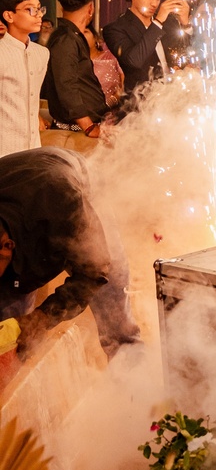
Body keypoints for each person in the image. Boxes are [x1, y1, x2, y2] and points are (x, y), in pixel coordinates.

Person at [0, 147, 141, 359]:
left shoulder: (65, 203)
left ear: (7, 246)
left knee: (111, 290)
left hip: (78, 187)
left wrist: (42, 318)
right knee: (12, 331)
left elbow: (95, 271)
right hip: (28, 184)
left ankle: (128, 359)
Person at [103, 0, 190, 100]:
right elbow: (134, 61)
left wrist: (185, 23)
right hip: (141, 103)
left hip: (174, 99)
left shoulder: (168, 22)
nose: (154, 4)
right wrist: (158, 21)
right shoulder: (115, 29)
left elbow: (185, 55)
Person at [42, 0, 112, 141]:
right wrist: (88, 126)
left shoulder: (70, 36)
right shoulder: (65, 39)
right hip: (75, 132)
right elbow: (66, 85)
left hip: (83, 128)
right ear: (90, 8)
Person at [0, 0, 49, 158]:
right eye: (30, 10)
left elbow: (32, 98)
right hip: (5, 148)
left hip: (33, 146)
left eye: (39, 9)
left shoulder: (42, 53)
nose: (39, 15)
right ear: (9, 16)